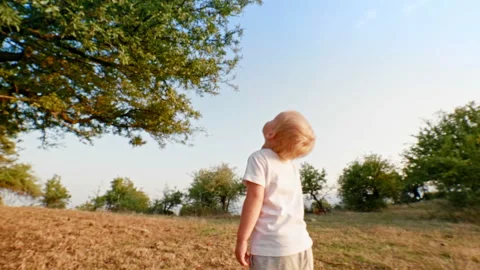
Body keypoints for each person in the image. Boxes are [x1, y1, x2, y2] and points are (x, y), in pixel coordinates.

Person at [235, 111, 316, 270]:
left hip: (273, 249)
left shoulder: (259, 159)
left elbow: (254, 199)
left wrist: (242, 240)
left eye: (274, 119)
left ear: (271, 133)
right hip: (302, 246)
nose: (269, 119)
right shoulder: (291, 166)